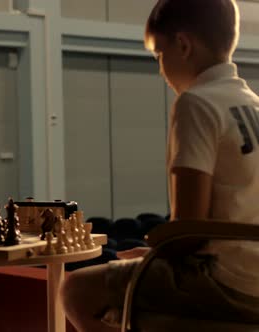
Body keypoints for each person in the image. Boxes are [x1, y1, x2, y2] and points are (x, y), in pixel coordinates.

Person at [61, 0, 259, 331]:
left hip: (225, 281)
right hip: (254, 274)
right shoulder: (252, 104)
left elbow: (190, 229)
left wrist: (152, 255)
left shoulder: (197, 102)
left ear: (183, 45)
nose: (160, 69)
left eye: (159, 55)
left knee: (75, 290)